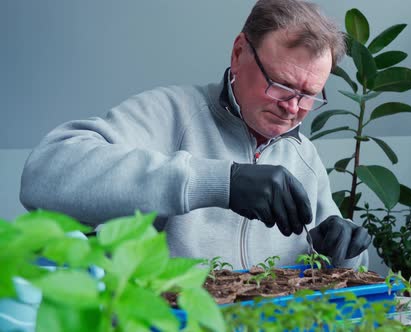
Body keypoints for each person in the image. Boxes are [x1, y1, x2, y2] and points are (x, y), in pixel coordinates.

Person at [20, 0, 370, 269]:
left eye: (309, 95)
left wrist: (344, 253)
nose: (293, 108)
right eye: (281, 85)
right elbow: (44, 174)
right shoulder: (170, 114)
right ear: (238, 53)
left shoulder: (305, 156)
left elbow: (344, 274)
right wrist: (221, 182)